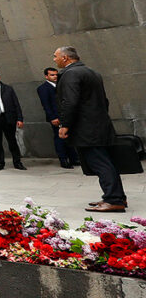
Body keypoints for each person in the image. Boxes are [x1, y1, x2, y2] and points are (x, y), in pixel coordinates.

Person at [54, 47, 127, 212]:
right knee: (106, 162)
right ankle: (117, 196)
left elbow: (70, 101)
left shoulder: (71, 74)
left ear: (65, 58)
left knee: (100, 163)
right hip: (99, 125)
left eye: (56, 56)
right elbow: (104, 101)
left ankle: (114, 199)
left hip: (86, 128)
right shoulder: (92, 72)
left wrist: (65, 124)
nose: (54, 59)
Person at [37, 67, 80, 169]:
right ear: (46, 76)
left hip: (66, 115)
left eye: (56, 74)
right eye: (52, 75)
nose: (55, 76)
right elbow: (46, 105)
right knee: (59, 138)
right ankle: (63, 160)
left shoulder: (61, 85)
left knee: (69, 137)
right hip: (56, 117)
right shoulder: (43, 88)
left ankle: (73, 158)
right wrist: (53, 117)